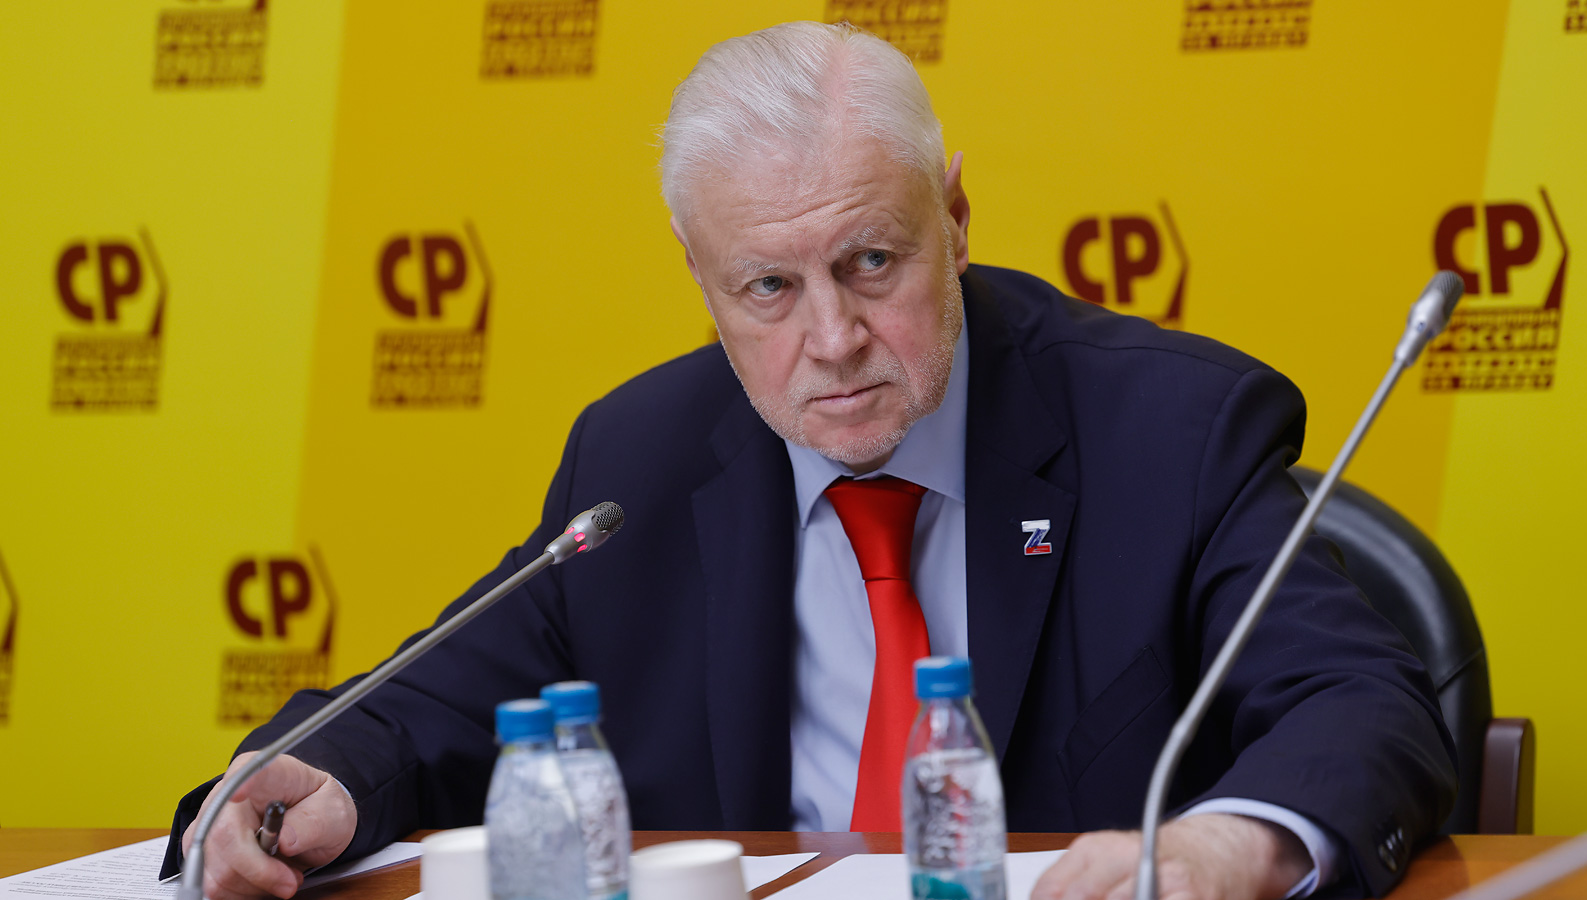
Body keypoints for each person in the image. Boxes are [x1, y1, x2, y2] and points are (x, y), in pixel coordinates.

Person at [163, 21, 1456, 900]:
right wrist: (312, 782)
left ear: (955, 219)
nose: (832, 340)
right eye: (769, 287)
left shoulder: (1166, 430)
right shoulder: (640, 464)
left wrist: (1228, 848)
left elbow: (1361, 701)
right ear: (701, 277)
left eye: (872, 262)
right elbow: (427, 704)